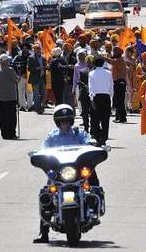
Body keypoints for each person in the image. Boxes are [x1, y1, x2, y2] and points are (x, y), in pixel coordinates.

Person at [34, 104, 95, 244]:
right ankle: (43, 233)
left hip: (76, 172)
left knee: (93, 182)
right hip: (59, 173)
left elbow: (88, 141)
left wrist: (92, 143)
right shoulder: (52, 136)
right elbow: (44, 149)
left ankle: (94, 204)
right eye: (62, 121)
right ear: (57, 122)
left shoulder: (79, 133)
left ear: (72, 120)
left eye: (67, 120)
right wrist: (39, 154)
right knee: (46, 195)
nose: (65, 123)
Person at [0, 54, 20, 139]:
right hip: (10, 97)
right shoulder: (10, 70)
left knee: (2, 117)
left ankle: (4, 134)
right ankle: (11, 133)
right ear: (5, 61)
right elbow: (16, 79)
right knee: (11, 116)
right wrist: (18, 74)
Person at [88, 56, 113, 146]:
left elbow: (91, 88)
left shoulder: (91, 73)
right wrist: (111, 99)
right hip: (106, 97)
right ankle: (104, 137)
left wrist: (91, 100)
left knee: (95, 119)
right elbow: (111, 87)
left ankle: (98, 137)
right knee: (105, 119)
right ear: (103, 63)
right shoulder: (108, 73)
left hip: (95, 97)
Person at [105, 47, 128, 123]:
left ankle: (122, 118)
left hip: (119, 82)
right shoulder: (118, 59)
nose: (113, 53)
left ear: (118, 53)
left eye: (115, 52)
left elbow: (111, 62)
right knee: (118, 100)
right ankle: (119, 116)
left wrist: (102, 57)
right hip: (118, 82)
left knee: (119, 100)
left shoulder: (119, 60)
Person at [72, 51, 91, 131]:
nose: (80, 57)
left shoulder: (88, 65)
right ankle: (84, 119)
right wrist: (74, 88)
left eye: (82, 55)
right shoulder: (76, 66)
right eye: (79, 56)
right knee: (81, 103)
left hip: (90, 86)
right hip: (80, 86)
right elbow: (75, 78)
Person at [13, 43, 33, 111]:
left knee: (29, 92)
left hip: (29, 77)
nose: (25, 49)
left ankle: (30, 105)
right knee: (21, 91)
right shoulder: (17, 57)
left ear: (28, 49)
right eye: (23, 48)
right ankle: (22, 106)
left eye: (26, 48)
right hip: (20, 77)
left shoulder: (31, 57)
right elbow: (13, 66)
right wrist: (19, 74)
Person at [27, 44, 47, 114]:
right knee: (36, 94)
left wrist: (47, 66)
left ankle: (42, 106)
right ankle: (37, 108)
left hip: (42, 78)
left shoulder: (44, 57)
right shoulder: (31, 58)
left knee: (44, 94)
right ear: (34, 50)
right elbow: (29, 68)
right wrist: (37, 68)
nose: (38, 50)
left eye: (39, 48)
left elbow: (45, 67)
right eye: (36, 49)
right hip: (35, 79)